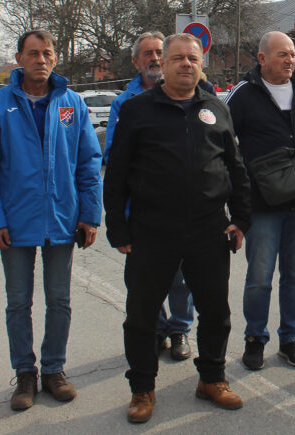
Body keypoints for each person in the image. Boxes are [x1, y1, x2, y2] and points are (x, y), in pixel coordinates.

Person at [104, 34, 250, 422]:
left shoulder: (217, 108)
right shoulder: (136, 110)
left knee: (216, 312)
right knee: (141, 315)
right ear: (163, 65)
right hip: (152, 230)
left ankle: (212, 379)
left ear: (202, 64)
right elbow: (116, 174)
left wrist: (240, 219)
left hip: (208, 229)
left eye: (193, 58)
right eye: (178, 58)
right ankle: (142, 389)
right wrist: (118, 228)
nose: (186, 64)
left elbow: (235, 167)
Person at [0, 29, 103, 411]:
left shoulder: (71, 104)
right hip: (15, 223)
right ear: (19, 59)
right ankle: (25, 374)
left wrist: (89, 215)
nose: (40, 60)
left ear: (55, 57)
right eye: (32, 53)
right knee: (18, 302)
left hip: (62, 220)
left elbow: (88, 163)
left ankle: (54, 369)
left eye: (47, 53)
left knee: (59, 300)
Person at [226, 31, 295, 371]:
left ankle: (291, 338)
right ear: (262, 58)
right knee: (259, 277)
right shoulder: (242, 95)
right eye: (282, 54)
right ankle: (255, 339)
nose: (289, 60)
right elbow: (224, 147)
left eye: (292, 54)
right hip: (262, 205)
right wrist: (237, 203)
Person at [104, 32, 196, 362]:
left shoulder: (189, 95)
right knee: (146, 278)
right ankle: (156, 329)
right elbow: (113, 156)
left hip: (182, 211)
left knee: (181, 277)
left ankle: (180, 329)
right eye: (147, 54)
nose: (154, 59)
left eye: (159, 52)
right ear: (135, 62)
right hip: (141, 211)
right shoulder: (125, 104)